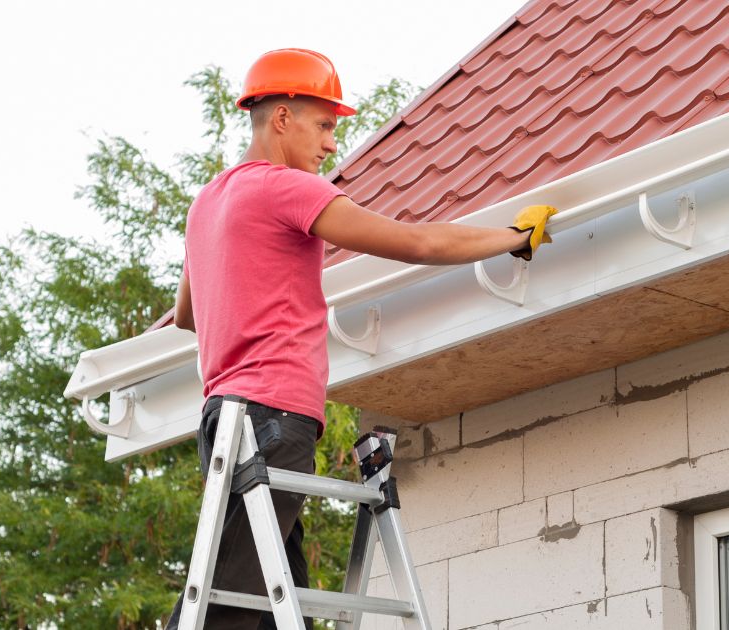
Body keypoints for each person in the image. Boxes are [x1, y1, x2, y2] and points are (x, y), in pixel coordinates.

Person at [165, 48, 556, 629]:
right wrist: (512, 237)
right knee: (226, 605)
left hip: (224, 422)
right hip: (274, 418)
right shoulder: (285, 189)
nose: (330, 145)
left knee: (272, 606)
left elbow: (185, 316)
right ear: (282, 117)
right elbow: (416, 244)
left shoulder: (207, 203)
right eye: (323, 125)